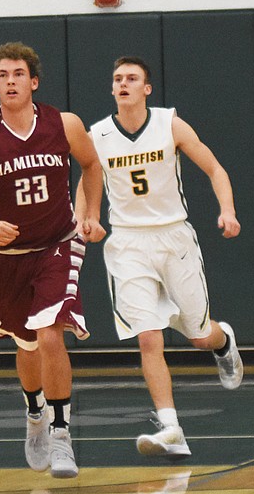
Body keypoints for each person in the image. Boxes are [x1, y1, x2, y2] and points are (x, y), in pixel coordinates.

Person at [0, 42, 105, 479]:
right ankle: (34, 411)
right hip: (11, 255)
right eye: (3, 75)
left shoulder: (65, 124)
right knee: (27, 343)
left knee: (50, 333)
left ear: (33, 82)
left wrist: (91, 215)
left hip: (59, 243)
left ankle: (61, 435)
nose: (11, 80)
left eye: (19, 73)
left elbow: (92, 167)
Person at [83, 56, 243, 460]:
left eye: (131, 78)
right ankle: (171, 426)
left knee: (197, 334)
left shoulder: (170, 123)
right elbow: (86, 184)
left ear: (146, 89)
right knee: (148, 337)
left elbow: (216, 168)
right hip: (128, 244)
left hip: (174, 237)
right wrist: (87, 219)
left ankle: (223, 343)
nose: (123, 84)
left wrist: (227, 210)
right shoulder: (98, 135)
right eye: (117, 78)